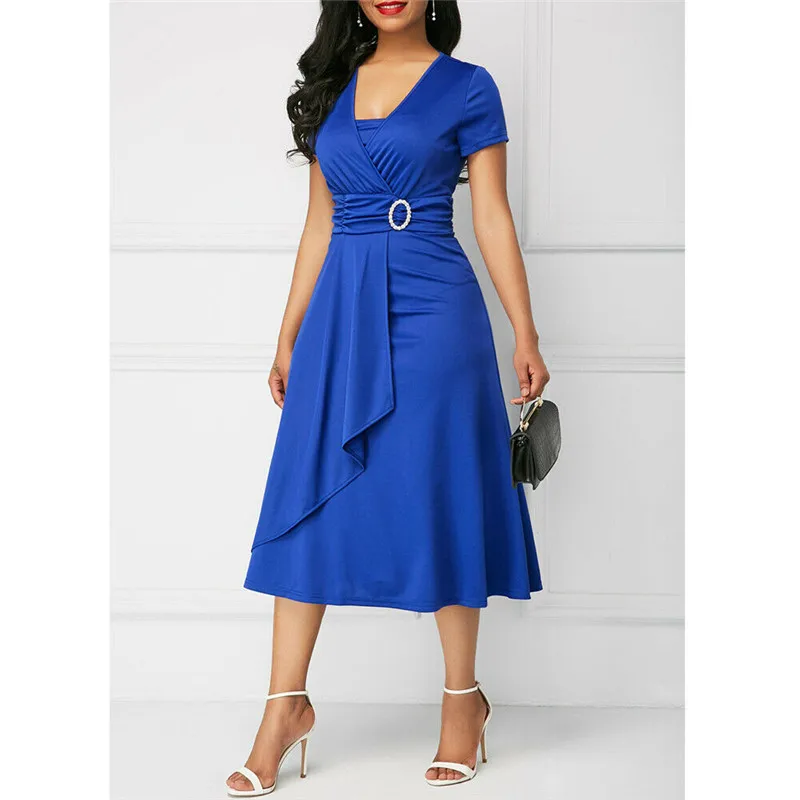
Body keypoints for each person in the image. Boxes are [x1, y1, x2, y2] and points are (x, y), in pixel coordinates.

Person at [227, 1, 549, 795]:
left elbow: (491, 213)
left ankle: (463, 701)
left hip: (435, 307)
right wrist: (288, 333)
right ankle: (284, 707)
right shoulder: (330, 85)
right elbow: (319, 224)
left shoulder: (469, 86)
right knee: (307, 496)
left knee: (442, 490)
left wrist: (525, 331)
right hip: (340, 314)